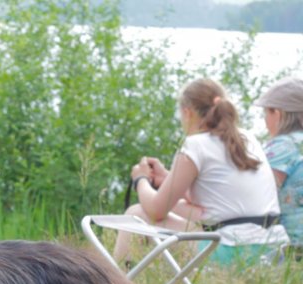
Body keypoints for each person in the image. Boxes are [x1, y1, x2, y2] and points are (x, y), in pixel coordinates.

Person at [114, 78, 288, 266]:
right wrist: (167, 178)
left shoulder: (196, 145)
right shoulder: (247, 139)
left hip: (231, 253)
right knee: (183, 208)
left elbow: (156, 211)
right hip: (271, 250)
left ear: (187, 113)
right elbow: (215, 203)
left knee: (136, 214)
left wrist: (140, 179)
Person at [256, 76, 303, 250]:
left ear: (277, 113)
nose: (265, 122)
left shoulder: (282, 147)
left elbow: (257, 194)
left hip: (294, 248)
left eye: (266, 113)